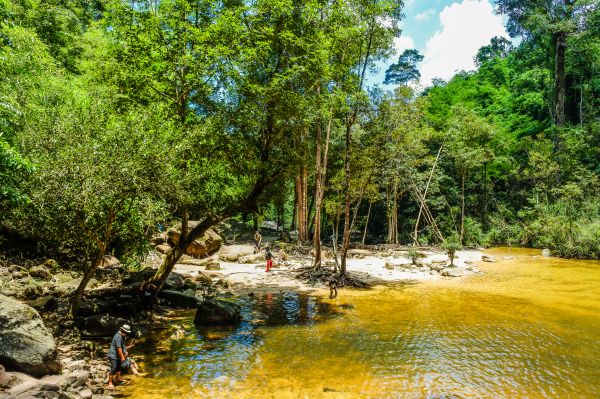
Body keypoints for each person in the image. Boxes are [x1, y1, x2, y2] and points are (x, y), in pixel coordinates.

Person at [107, 324, 131, 389]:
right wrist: (122, 356)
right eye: (126, 332)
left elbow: (122, 346)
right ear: (122, 330)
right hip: (113, 355)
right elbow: (118, 348)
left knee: (118, 367)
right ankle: (110, 383)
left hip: (118, 356)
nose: (126, 334)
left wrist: (125, 352)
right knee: (114, 368)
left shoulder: (122, 336)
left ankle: (118, 378)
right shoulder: (118, 336)